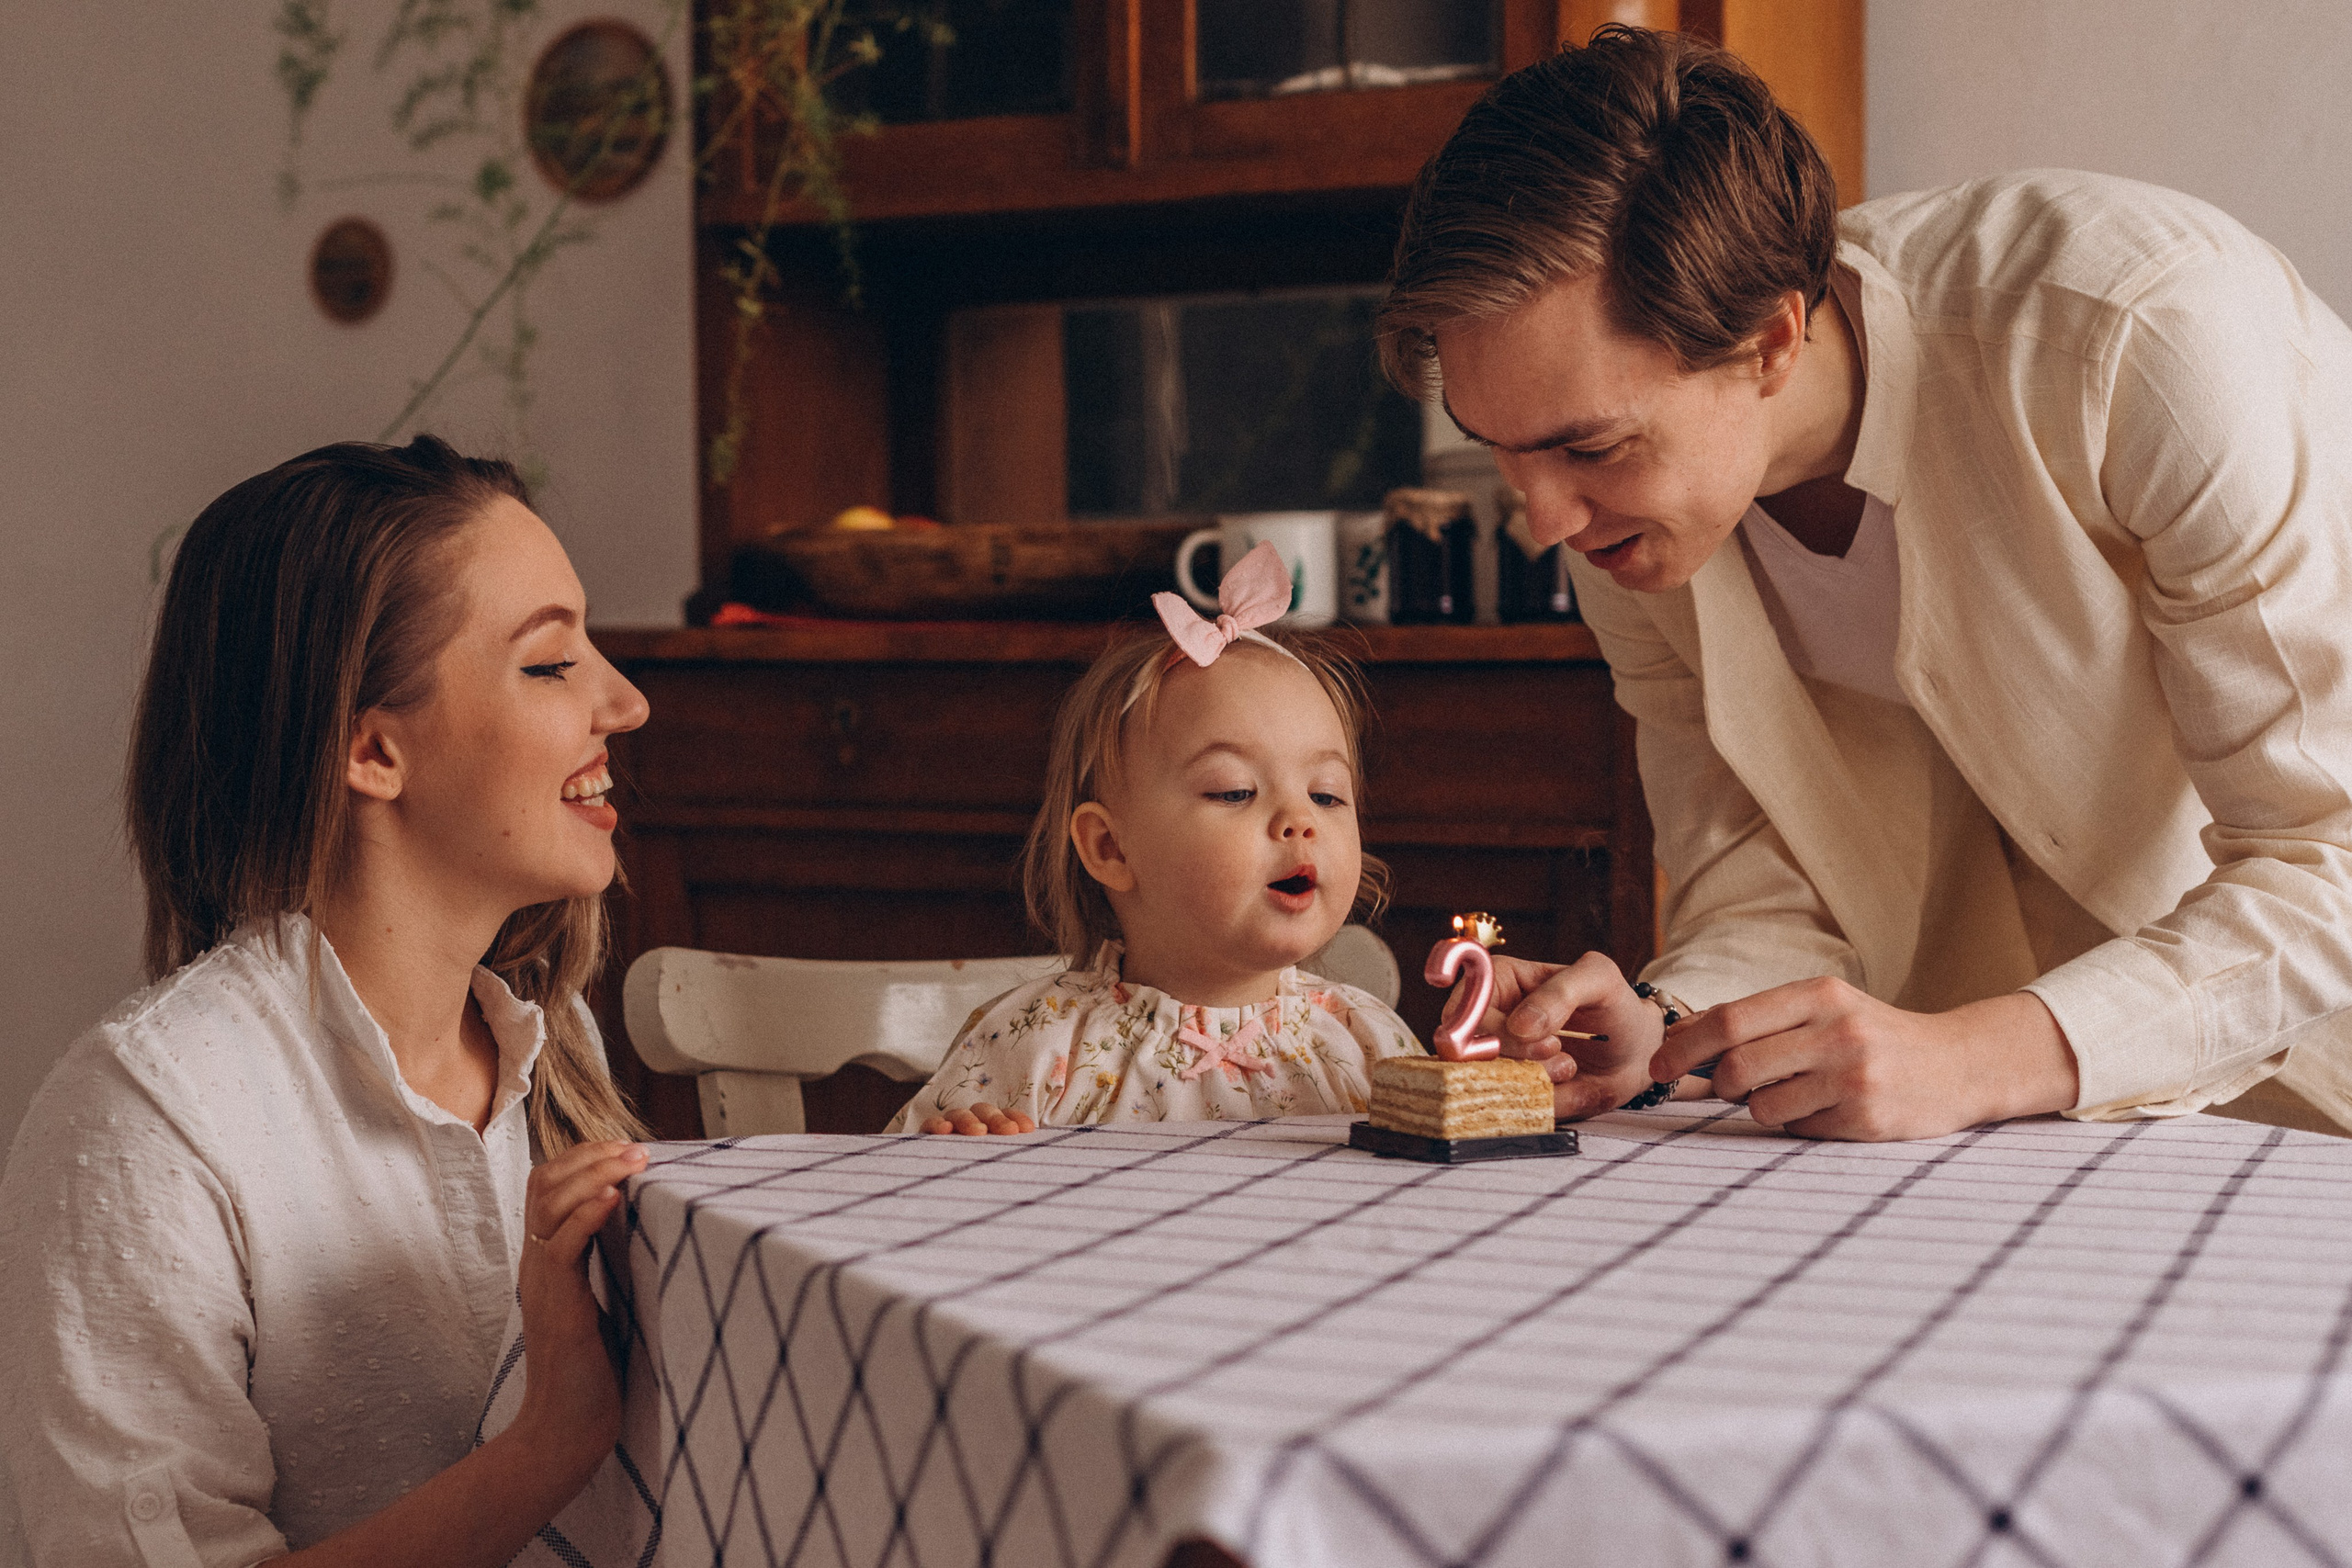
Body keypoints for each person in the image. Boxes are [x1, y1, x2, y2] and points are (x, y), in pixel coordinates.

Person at [1375, 27, 2352, 1142]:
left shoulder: (2140, 337)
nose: (1541, 521)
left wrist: (1985, 1055)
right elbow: (1762, 872)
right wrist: (1669, 1023)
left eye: (1588, 447)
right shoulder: (1628, 522)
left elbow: (2329, 857)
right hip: (2020, 1147)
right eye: (1498, 446)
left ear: (1771, 342)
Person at [0, 436, 654, 1562]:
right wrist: (548, 1446)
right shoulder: (148, 1121)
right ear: (372, 750)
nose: (626, 702)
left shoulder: (563, 1052)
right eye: (551, 665)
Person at [890, 543, 1424, 1134]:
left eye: (1326, 794)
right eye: (1234, 791)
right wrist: (960, 1147)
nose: (1300, 821)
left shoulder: (1370, 1045)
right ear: (1110, 849)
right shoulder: (1034, 1044)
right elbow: (905, 1195)